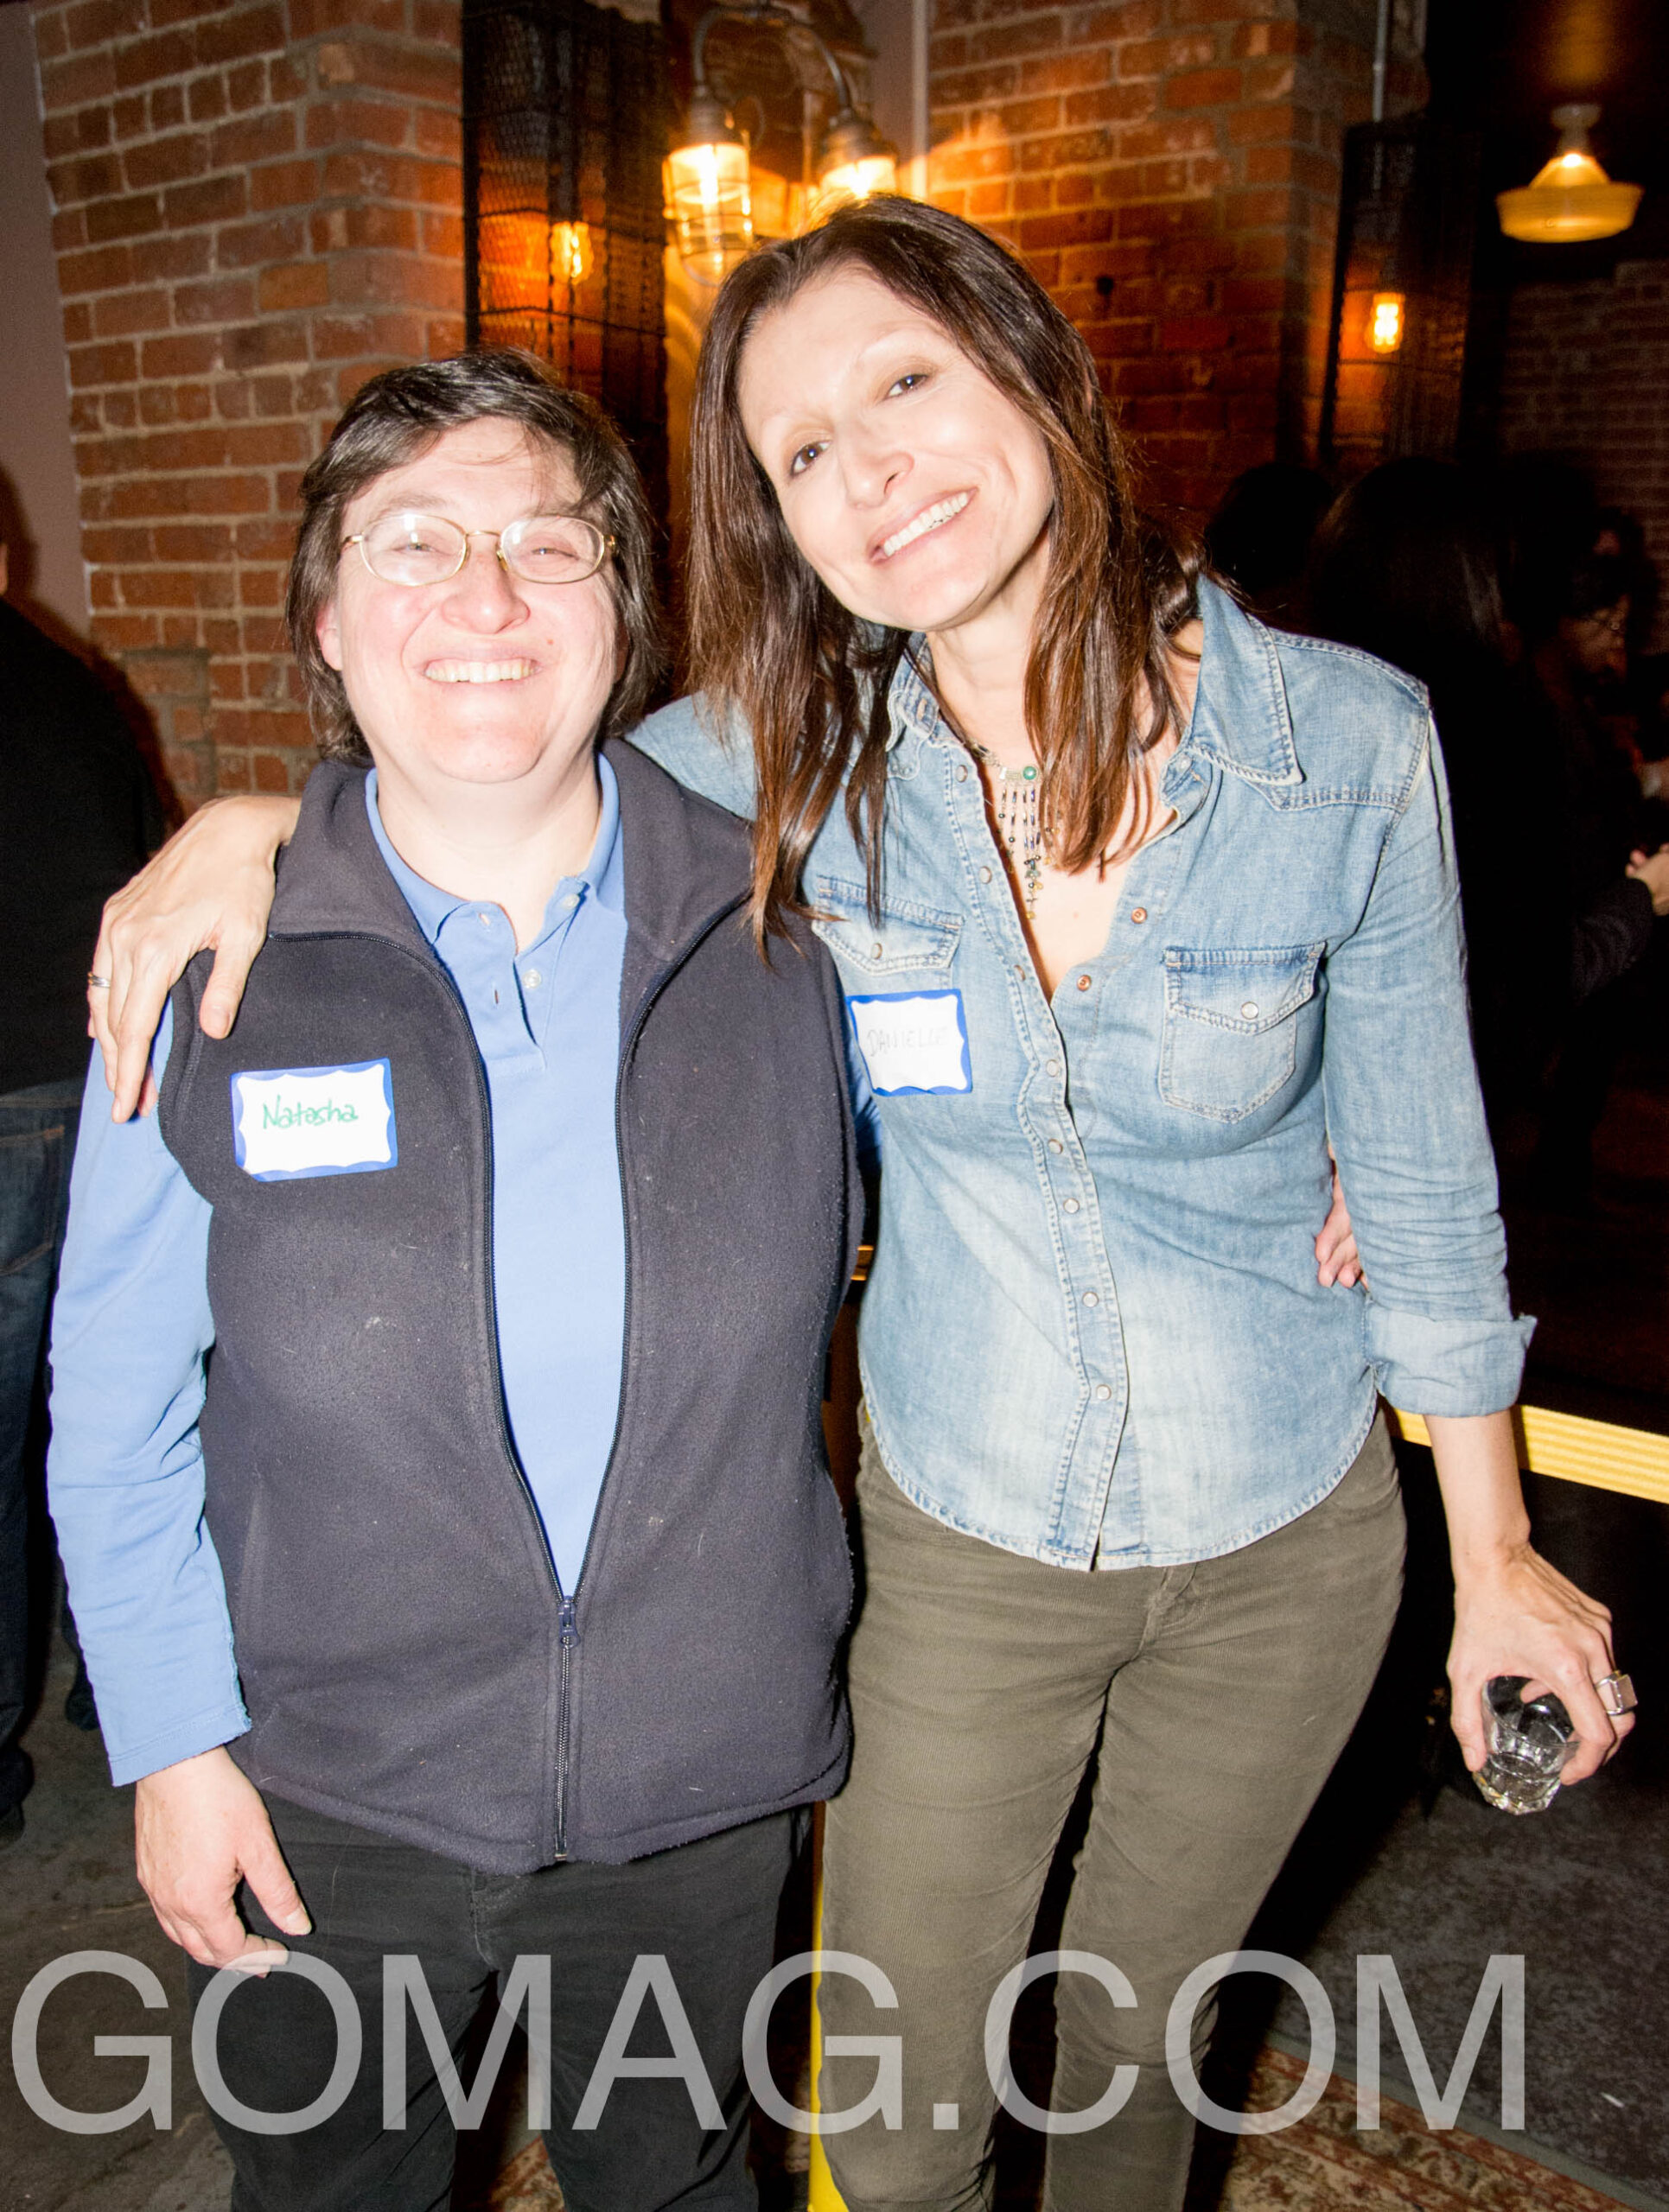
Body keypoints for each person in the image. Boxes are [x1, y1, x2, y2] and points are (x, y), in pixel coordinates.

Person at [87, 201, 1633, 2211]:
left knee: (1135, 2059)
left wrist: (1495, 1557)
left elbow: (1424, 1179)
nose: (868, 467)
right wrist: (252, 827)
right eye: (800, 448)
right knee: (892, 2124)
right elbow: (494, 745)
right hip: (958, 1533)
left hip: (1276, 1520)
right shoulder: (779, 760)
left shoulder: (1342, 741)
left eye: (902, 381)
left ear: (1032, 374)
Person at [48, 353, 861, 2211]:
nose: (485, 596)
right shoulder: (202, 978)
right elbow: (114, 1412)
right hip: (326, 1789)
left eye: (548, 544)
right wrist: (172, 1744)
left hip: (696, 1783)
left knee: (677, 2181)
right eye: (411, 543)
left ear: (623, 611)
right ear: (327, 623)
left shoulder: (783, 939)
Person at [1304, 459, 1669, 1137]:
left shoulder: (1292, 713)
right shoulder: (1488, 735)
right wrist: (1639, 901)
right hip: (1422, 1119)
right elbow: (1522, 988)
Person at [0, 532, 162, 1846]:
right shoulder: (75, 685)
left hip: (10, 1100)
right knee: (109, 1396)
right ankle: (120, 1680)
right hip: (105, 1084)